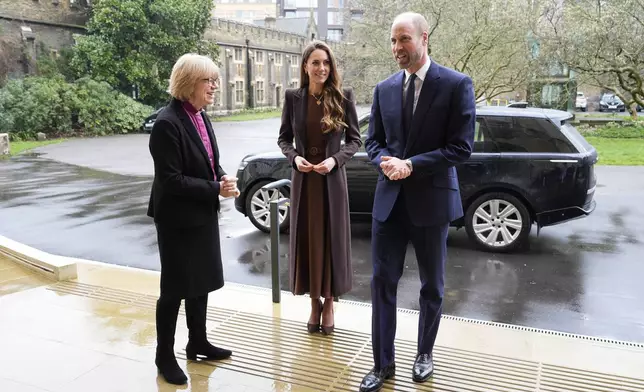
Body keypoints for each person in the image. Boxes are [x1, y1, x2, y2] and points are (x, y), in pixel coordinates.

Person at [359, 12, 475, 392]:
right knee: (381, 284)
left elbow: (461, 148)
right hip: (388, 204)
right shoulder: (384, 88)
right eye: (393, 41)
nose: (397, 48)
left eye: (404, 40)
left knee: (432, 286)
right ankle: (382, 364)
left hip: (432, 203)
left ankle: (424, 354)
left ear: (424, 38)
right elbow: (372, 141)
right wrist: (384, 162)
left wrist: (411, 165)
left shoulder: (456, 84)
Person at [147, 53, 238, 385]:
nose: (214, 86)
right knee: (174, 289)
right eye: (208, 80)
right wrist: (216, 188)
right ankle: (164, 355)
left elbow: (210, 162)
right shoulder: (166, 123)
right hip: (175, 220)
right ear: (188, 84)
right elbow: (171, 180)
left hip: (200, 213)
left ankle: (197, 341)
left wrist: (223, 178)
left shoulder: (201, 116)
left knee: (200, 284)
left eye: (215, 80)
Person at [278, 40, 362, 335]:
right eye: (315, 62)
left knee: (330, 241)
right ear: (305, 66)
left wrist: (335, 161)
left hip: (331, 182)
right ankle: (313, 302)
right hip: (304, 181)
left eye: (326, 63)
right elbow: (284, 139)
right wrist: (295, 157)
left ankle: (329, 302)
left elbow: (355, 140)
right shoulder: (293, 98)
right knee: (309, 241)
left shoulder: (343, 96)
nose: (321, 68)